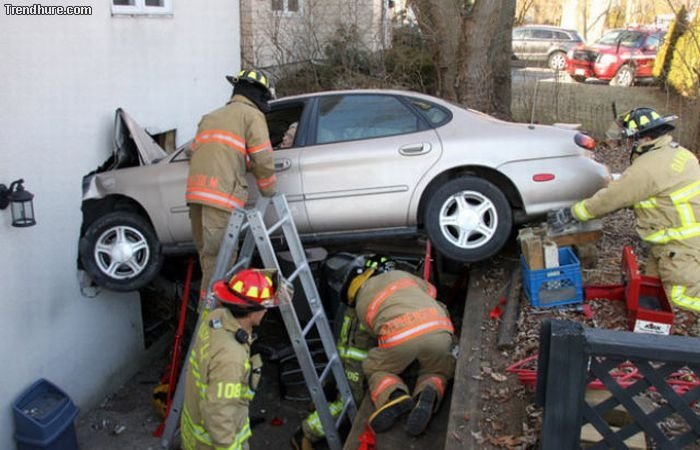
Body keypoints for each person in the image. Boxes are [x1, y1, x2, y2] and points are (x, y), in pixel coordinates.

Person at [549, 107, 700, 312]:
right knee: (651, 288)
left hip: (682, 245)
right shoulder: (677, 153)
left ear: (644, 138)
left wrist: (572, 214)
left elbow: (613, 198)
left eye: (631, 140)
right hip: (674, 239)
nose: (629, 144)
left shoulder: (649, 168)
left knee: (679, 299)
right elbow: (654, 193)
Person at [186, 70, 278, 299]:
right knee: (221, 262)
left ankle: (206, 310)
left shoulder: (210, 117)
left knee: (208, 259)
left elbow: (197, 151)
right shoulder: (252, 116)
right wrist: (269, 190)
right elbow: (263, 158)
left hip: (196, 195)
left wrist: (240, 161)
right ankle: (213, 313)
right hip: (221, 198)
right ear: (259, 94)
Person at [347, 255, 456, 436]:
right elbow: (432, 293)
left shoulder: (360, 304)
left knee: (375, 368)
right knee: (438, 369)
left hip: (399, 337)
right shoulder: (401, 275)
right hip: (438, 327)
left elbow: (374, 334)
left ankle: (393, 394)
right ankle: (429, 389)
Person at [180, 268, 279, 450]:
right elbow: (219, 412)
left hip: (193, 429)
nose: (266, 311)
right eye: (264, 306)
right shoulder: (230, 357)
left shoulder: (216, 318)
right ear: (252, 312)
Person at [291, 254, 374, 450]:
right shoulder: (368, 302)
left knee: (340, 386)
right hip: (355, 358)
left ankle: (325, 396)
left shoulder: (361, 290)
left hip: (349, 352)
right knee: (351, 401)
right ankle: (306, 432)